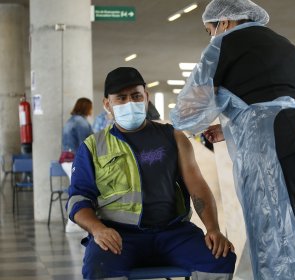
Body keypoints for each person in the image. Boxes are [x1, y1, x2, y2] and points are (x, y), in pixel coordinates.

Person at [170, 0, 295, 279]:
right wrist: (230, 127)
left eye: (209, 29)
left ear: (223, 22)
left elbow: (189, 110)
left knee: (274, 242)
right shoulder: (285, 45)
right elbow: (277, 98)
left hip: (276, 148)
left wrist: (176, 123)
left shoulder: (224, 44)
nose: (211, 36)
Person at [66, 67, 236, 279]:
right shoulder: (92, 146)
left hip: (173, 232)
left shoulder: (173, 136)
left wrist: (213, 229)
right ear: (107, 104)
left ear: (146, 97)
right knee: (98, 269)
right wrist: (97, 229)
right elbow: (78, 199)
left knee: (220, 258)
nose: (130, 102)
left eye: (136, 96)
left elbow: (198, 187)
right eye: (121, 98)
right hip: (119, 236)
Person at [61, 97, 93, 233]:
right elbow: (86, 144)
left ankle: (73, 223)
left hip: (66, 159)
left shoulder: (70, 121)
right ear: (87, 107)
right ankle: (74, 223)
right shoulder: (81, 122)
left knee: (76, 190)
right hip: (75, 160)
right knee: (80, 191)